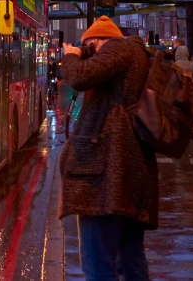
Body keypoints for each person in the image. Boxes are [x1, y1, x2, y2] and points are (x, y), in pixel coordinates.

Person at [59, 16, 155, 280]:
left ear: (100, 40)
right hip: (128, 172)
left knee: (97, 264)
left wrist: (71, 55)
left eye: (89, 46)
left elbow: (79, 77)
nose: (88, 52)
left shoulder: (118, 49)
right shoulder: (134, 55)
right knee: (130, 259)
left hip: (103, 177)